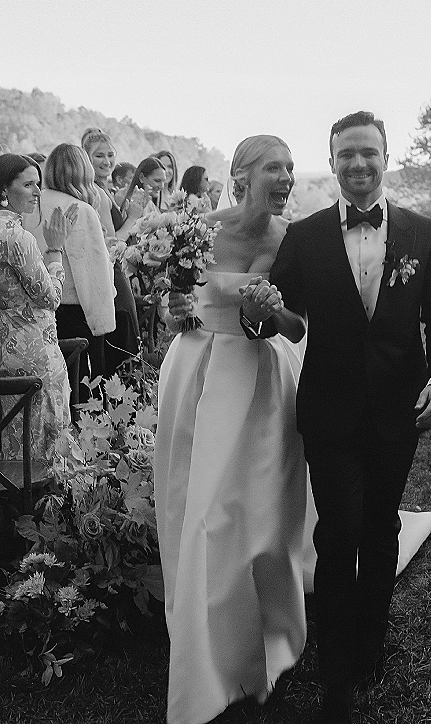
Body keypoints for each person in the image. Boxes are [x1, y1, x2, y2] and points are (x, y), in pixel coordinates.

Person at [241, 111, 431, 723]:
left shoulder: (423, 231)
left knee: (380, 525)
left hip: (399, 410)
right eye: (347, 156)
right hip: (330, 409)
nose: (358, 165)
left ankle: (371, 640)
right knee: (338, 531)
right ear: (332, 161)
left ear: (385, 157)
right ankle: (336, 671)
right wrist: (261, 311)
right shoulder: (305, 237)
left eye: (369, 153)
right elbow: (282, 319)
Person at [154, 135, 307, 724]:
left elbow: (297, 327)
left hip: (261, 384)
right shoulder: (195, 229)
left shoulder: (293, 239)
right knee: (199, 512)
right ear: (243, 175)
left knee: (262, 515)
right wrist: (174, 307)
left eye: (292, 168)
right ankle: (201, 640)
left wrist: (274, 313)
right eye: (276, 166)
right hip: (196, 373)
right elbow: (176, 300)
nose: (287, 176)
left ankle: (267, 637)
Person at [0, 153, 77, 463]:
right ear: (4, 190)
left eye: (38, 184)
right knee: (45, 432)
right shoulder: (18, 238)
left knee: (11, 432)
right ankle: (50, 501)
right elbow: (50, 298)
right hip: (34, 350)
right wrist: (56, 250)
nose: (36, 192)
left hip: (4, 346)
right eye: (28, 184)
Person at [24, 144, 116, 400]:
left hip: (37, 309)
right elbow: (95, 274)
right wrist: (103, 324)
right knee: (83, 392)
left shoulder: (32, 205)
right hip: (76, 310)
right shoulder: (81, 210)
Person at [81, 128, 140, 376]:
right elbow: (111, 242)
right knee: (122, 342)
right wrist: (133, 218)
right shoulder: (96, 193)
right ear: (86, 159)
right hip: (111, 276)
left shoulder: (102, 190)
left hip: (115, 273)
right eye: (99, 156)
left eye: (110, 155)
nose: (106, 162)